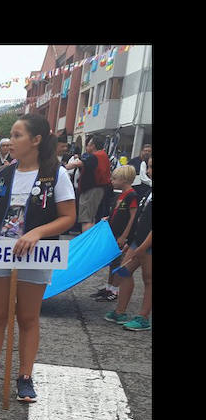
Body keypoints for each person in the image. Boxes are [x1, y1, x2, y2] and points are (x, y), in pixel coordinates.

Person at [0, 113, 76, 402]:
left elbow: (68, 217)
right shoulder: (3, 174)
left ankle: (25, 377)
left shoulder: (56, 174)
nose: (10, 142)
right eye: (11, 136)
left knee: (27, 317)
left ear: (36, 140)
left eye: (17, 136)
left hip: (36, 254)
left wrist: (37, 232)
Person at [106, 156, 152, 331]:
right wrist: (131, 240)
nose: (148, 171)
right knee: (124, 271)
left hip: (147, 243)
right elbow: (140, 217)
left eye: (151, 167)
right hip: (138, 240)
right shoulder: (148, 192)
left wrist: (143, 246)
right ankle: (120, 311)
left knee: (148, 279)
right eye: (148, 167)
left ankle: (143, 317)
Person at [92, 165, 139, 302]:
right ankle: (109, 286)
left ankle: (115, 290)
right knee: (113, 262)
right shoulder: (120, 195)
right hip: (113, 234)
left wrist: (124, 236)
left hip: (121, 236)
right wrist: (108, 218)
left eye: (114, 178)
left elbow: (132, 218)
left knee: (119, 264)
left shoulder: (132, 196)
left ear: (124, 179)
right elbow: (117, 213)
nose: (111, 181)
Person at [67, 136, 109, 233]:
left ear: (93, 146)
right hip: (99, 190)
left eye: (88, 145)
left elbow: (77, 164)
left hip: (91, 191)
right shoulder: (103, 155)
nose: (86, 147)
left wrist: (63, 167)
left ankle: (86, 239)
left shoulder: (95, 157)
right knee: (91, 217)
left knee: (86, 219)